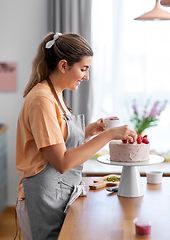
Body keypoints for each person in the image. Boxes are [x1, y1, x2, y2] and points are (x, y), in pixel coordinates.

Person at [15, 32, 137, 240]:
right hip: (43, 198)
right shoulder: (41, 100)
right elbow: (62, 162)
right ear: (63, 66)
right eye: (83, 69)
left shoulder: (55, 95)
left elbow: (58, 144)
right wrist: (108, 136)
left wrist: (89, 131)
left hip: (57, 194)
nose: (86, 77)